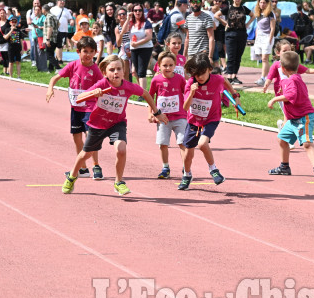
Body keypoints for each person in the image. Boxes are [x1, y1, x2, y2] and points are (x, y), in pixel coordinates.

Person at [61, 55, 168, 195]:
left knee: (121, 149)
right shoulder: (101, 84)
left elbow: (146, 94)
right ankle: (72, 176)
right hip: (98, 124)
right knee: (85, 154)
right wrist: (94, 93)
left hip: (117, 123)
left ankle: (119, 182)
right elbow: (79, 98)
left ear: (124, 72)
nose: (116, 72)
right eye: (112, 69)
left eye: (119, 69)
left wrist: (156, 112)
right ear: (105, 73)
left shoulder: (128, 87)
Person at [178, 53, 239, 190]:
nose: (199, 77)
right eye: (196, 74)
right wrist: (192, 93)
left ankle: (213, 169)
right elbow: (185, 107)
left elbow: (225, 82)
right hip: (194, 121)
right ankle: (187, 175)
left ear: (210, 69)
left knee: (202, 143)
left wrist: (236, 97)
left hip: (211, 118)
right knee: (188, 153)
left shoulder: (217, 79)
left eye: (202, 73)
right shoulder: (191, 83)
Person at [46, 36, 104, 180]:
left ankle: (96, 165)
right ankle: (83, 168)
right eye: (85, 51)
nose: (88, 55)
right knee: (77, 138)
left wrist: (99, 95)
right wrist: (50, 89)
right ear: (78, 52)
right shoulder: (73, 65)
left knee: (90, 136)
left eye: (91, 52)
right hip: (76, 108)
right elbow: (54, 78)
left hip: (90, 107)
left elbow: (104, 86)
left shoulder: (95, 69)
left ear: (95, 53)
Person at [267, 51, 314, 182]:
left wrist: (274, 99)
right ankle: (284, 167)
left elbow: (291, 96)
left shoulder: (292, 80)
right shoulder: (293, 78)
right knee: (282, 140)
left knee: (306, 143)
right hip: (293, 119)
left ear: (282, 68)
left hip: (303, 117)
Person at [149, 51, 188, 179]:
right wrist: (151, 113)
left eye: (171, 65)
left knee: (182, 143)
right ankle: (165, 167)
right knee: (163, 143)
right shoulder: (156, 80)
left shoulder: (179, 79)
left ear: (175, 65)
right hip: (163, 118)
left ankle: (186, 167)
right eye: (165, 65)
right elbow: (150, 96)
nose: (168, 68)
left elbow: (186, 93)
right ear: (159, 66)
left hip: (180, 116)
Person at [215, 0, 253, 84]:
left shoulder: (244, 8)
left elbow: (253, 15)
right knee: (231, 56)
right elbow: (216, 15)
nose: (237, 0)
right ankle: (229, 77)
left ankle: (234, 76)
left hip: (242, 34)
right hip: (230, 34)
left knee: (238, 56)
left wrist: (247, 24)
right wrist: (225, 23)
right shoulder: (229, 8)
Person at [184, 0, 216, 68]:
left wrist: (210, 57)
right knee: (190, 77)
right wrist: (184, 55)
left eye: (197, 2)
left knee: (202, 77)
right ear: (190, 4)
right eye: (193, 2)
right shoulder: (188, 18)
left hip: (202, 53)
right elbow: (187, 38)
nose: (195, 4)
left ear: (201, 3)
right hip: (191, 54)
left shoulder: (207, 17)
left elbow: (211, 38)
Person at [251, 0, 276, 86]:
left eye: (264, 2)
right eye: (260, 2)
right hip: (259, 37)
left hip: (267, 37)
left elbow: (273, 28)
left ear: (267, 3)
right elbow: (258, 27)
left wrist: (270, 39)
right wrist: (256, 37)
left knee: (265, 58)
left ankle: (263, 78)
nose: (262, 4)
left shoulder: (270, 13)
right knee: (263, 59)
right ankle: (267, 77)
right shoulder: (258, 13)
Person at [129, 3, 155, 92]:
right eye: (135, 10)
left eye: (140, 10)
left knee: (141, 72)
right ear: (132, 12)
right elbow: (124, 31)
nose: (138, 12)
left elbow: (149, 37)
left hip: (145, 48)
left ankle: (143, 93)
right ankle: (141, 90)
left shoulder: (146, 23)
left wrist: (137, 44)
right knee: (135, 72)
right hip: (134, 49)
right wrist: (128, 18)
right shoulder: (130, 23)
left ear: (143, 11)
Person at [49, 0, 74, 65]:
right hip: (55, 31)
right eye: (61, 1)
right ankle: (58, 60)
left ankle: (58, 59)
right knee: (56, 45)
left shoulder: (66, 10)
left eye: (64, 1)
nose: (62, 2)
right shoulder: (53, 9)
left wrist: (71, 21)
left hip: (64, 31)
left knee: (60, 45)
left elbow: (70, 18)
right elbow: (48, 19)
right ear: (57, 2)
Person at [115, 6, 132, 82]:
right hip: (124, 50)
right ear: (117, 17)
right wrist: (121, 33)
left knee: (136, 72)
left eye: (124, 14)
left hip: (133, 47)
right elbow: (118, 44)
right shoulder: (117, 28)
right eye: (120, 14)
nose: (122, 15)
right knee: (125, 73)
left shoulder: (131, 24)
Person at [42, 3, 61, 72]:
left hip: (51, 38)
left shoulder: (48, 17)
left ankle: (58, 67)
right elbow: (59, 24)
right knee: (51, 53)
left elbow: (50, 28)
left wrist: (48, 39)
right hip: (55, 37)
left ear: (44, 10)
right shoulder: (54, 16)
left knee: (49, 55)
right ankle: (50, 69)